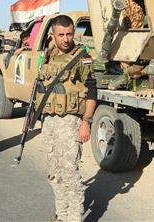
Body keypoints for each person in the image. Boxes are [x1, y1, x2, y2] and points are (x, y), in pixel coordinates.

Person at [38, 15, 97, 222]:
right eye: (61, 35)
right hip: (49, 121)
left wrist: (86, 122)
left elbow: (92, 91)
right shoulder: (48, 54)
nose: (65, 39)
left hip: (71, 121)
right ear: (53, 35)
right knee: (54, 171)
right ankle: (61, 215)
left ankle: (74, 218)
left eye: (69, 34)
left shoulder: (82, 56)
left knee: (70, 172)